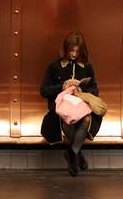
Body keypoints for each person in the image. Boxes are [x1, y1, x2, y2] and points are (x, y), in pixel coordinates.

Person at [39, 31, 103, 176]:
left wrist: (80, 89)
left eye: (77, 51)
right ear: (65, 49)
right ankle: (76, 153)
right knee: (66, 120)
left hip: (81, 107)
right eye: (71, 51)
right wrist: (62, 86)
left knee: (86, 119)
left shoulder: (87, 67)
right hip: (61, 108)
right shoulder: (54, 66)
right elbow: (43, 91)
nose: (74, 54)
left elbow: (95, 90)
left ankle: (71, 153)